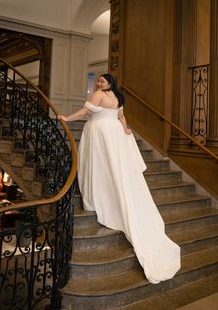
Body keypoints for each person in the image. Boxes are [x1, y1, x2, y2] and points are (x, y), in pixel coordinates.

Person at [57, 73, 180, 284]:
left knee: (100, 165)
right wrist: (125, 130)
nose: (99, 84)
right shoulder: (117, 97)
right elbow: (121, 117)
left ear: (109, 83)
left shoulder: (100, 95)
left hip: (100, 132)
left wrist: (67, 118)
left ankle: (98, 196)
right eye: (98, 81)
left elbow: (87, 111)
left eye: (102, 81)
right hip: (113, 133)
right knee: (112, 167)